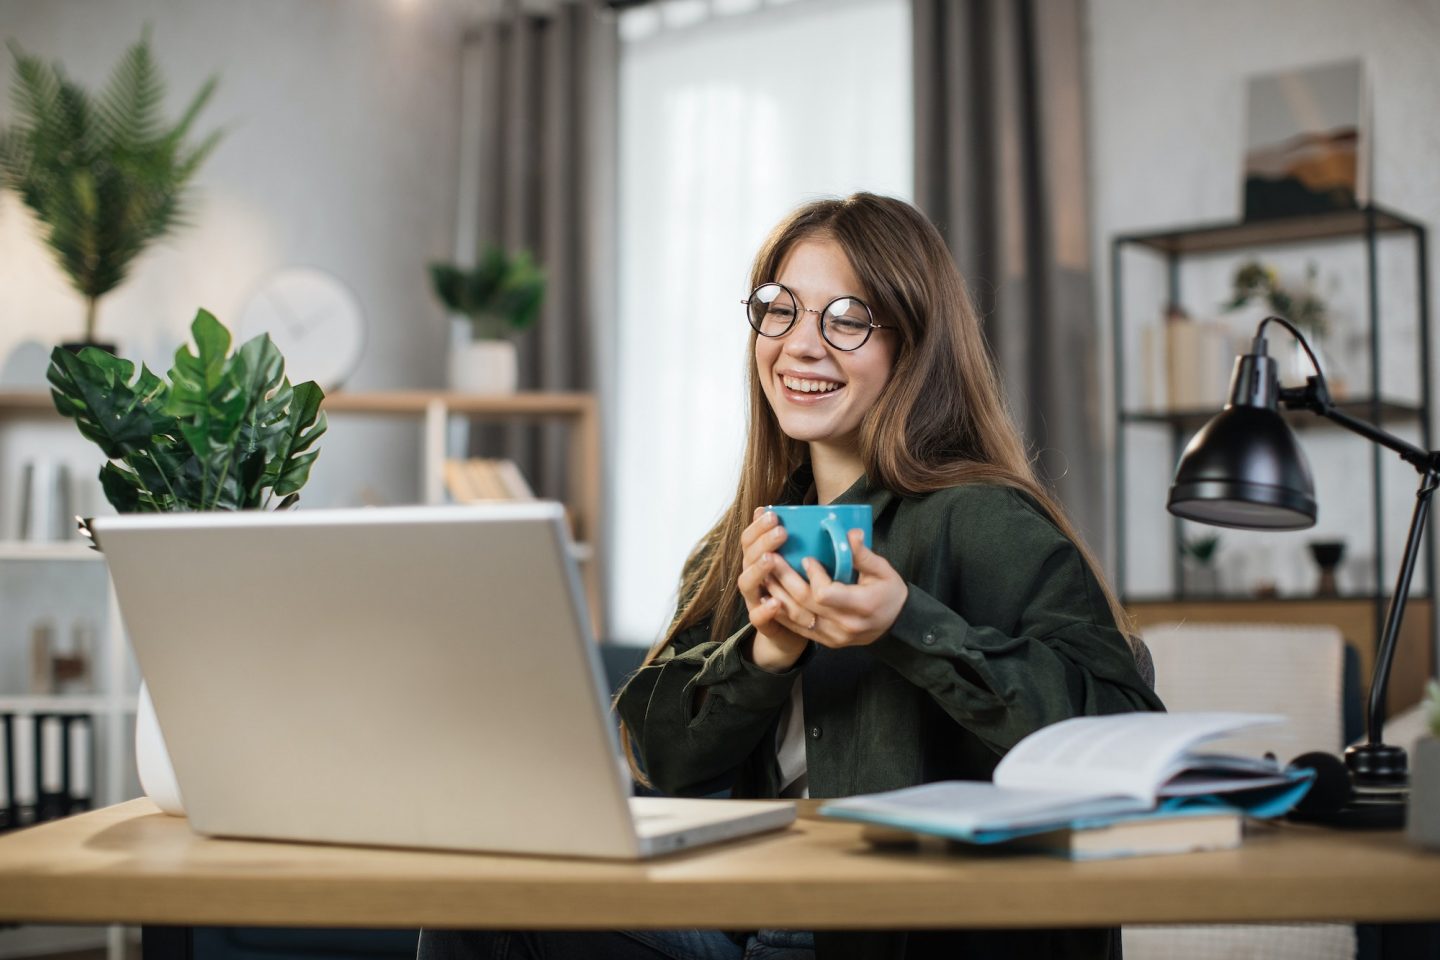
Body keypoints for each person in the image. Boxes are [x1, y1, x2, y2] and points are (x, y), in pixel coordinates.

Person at [417, 193, 1163, 960]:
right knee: (479, 888)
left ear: (914, 345)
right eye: (780, 310)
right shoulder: (741, 541)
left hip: (889, 939)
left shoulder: (983, 519)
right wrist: (762, 656)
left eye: (847, 319)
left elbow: (1125, 736)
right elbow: (661, 757)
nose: (801, 346)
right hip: (754, 919)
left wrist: (906, 624)